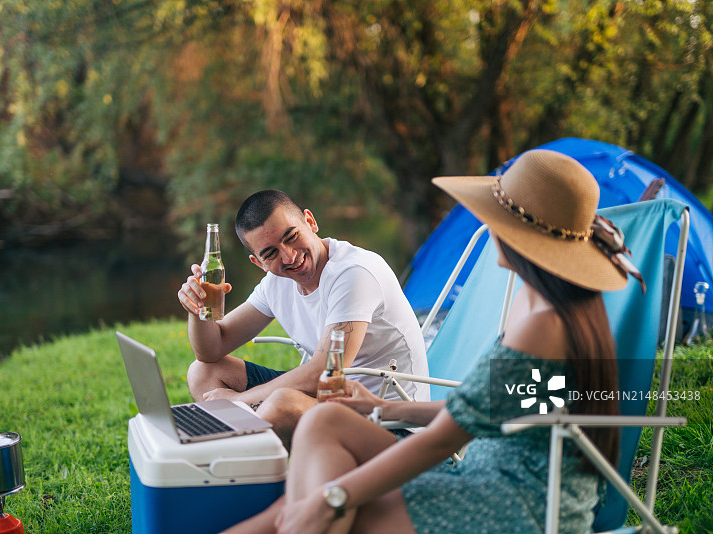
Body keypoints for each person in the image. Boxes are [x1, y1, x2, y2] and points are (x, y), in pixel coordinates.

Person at [224, 149, 646, 533]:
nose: (484, 224)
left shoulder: (545, 323)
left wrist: (336, 496)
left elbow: (446, 438)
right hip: (488, 473)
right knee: (320, 427)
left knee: (327, 513)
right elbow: (491, 406)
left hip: (517, 504)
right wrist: (382, 407)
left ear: (519, 234)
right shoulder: (537, 301)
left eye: (492, 216)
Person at [177, 190, 429, 448]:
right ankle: (247, 466)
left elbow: (323, 372)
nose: (289, 256)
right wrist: (197, 308)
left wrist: (239, 401)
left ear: (310, 222)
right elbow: (211, 349)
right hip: (331, 400)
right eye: (271, 253)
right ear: (258, 262)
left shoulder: (354, 272)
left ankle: (249, 469)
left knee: (283, 404)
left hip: (392, 426)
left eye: (291, 236)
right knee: (203, 372)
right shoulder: (274, 284)